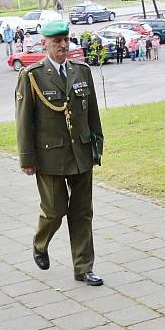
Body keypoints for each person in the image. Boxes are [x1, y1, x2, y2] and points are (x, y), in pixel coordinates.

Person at [15, 20, 105, 287]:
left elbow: (92, 113)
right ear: (45, 43)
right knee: (54, 210)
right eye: (57, 42)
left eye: (65, 40)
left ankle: (83, 267)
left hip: (81, 152)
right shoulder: (32, 76)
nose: (63, 46)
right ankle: (40, 243)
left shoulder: (81, 71)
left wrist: (96, 144)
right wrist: (27, 159)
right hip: (50, 156)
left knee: (82, 213)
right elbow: (23, 121)